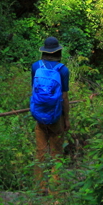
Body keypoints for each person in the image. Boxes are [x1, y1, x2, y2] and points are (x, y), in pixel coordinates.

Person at [30, 36, 70, 171]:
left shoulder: (36, 66)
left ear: (44, 51)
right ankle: (56, 190)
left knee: (40, 153)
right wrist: (67, 119)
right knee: (57, 154)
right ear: (58, 52)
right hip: (56, 117)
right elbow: (64, 97)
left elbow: (34, 90)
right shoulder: (62, 70)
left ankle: (39, 188)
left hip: (39, 115)